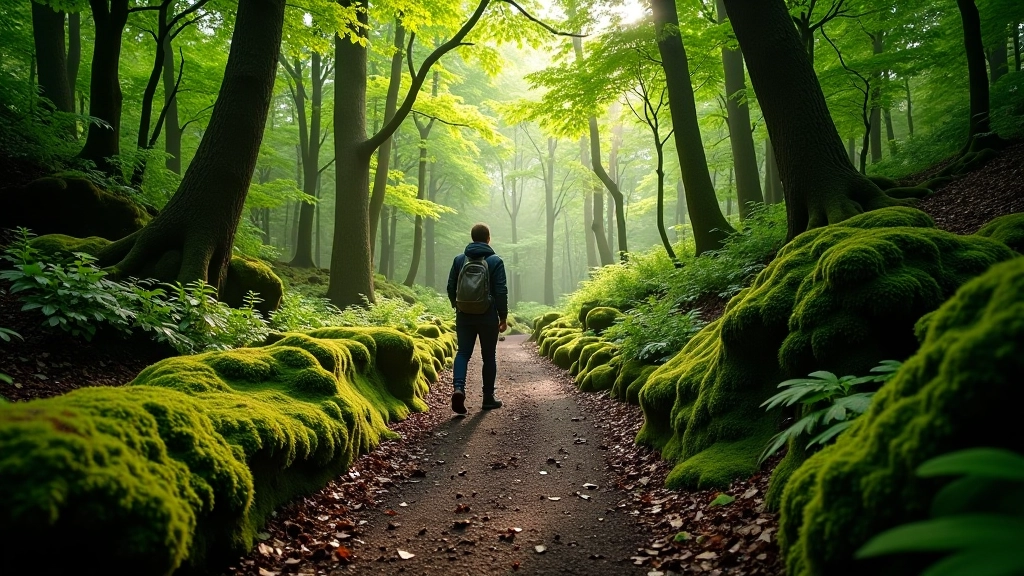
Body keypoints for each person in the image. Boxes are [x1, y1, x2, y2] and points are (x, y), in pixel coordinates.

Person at [446, 223, 508, 414]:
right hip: (488, 315)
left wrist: (457, 306)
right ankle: (488, 398)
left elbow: (450, 287)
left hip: (464, 315)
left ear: (472, 238)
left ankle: (458, 388)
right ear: (488, 238)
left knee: (463, 352)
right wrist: (503, 316)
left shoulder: (459, 260)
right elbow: (500, 291)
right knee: (488, 356)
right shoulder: (495, 261)